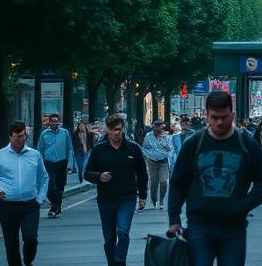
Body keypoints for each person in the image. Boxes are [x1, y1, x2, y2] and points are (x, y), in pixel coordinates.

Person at [166, 90, 262, 266]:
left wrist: (244, 205)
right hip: (199, 225)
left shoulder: (246, 145)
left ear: (232, 115)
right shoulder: (194, 144)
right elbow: (179, 182)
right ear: (206, 116)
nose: (219, 122)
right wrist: (174, 219)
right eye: (214, 117)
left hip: (234, 226)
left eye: (224, 117)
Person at [85, 115, 148, 266]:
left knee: (123, 231)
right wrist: (99, 176)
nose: (116, 133)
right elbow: (87, 173)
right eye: (113, 130)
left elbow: (142, 173)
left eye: (119, 130)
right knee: (109, 238)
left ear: (123, 129)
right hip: (106, 198)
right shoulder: (99, 150)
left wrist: (143, 196)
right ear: (107, 130)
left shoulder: (133, 148)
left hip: (127, 197)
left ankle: (120, 261)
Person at [0, 121, 49, 266]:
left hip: (30, 204)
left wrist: (40, 197)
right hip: (8, 205)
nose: (20, 139)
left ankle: (28, 260)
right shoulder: (0, 156)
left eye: (22, 136)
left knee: (30, 237)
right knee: (11, 243)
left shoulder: (34, 155)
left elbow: (44, 177)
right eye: (16, 136)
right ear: (10, 137)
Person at [36, 114, 74, 218]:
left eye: (56, 121)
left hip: (62, 163)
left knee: (59, 186)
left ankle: (56, 207)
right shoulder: (44, 134)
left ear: (59, 122)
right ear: (49, 122)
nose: (54, 124)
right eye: (52, 121)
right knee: (50, 186)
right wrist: (39, 165)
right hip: (48, 163)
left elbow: (69, 149)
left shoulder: (65, 133)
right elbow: (40, 150)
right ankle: (55, 205)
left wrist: (70, 163)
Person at [141, 120, 174, 209]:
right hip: (152, 162)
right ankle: (154, 200)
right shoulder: (148, 137)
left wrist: (166, 154)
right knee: (154, 182)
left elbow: (171, 149)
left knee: (163, 182)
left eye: (160, 126)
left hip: (163, 162)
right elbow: (144, 149)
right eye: (156, 126)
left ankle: (162, 200)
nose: (158, 128)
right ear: (154, 127)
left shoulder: (166, 137)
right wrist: (148, 158)